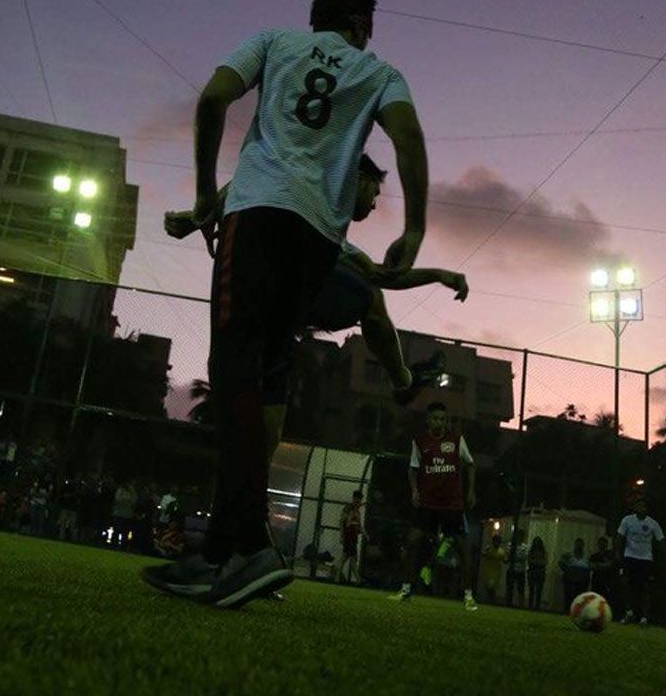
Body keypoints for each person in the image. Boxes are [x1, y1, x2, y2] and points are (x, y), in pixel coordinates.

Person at [145, 0, 431, 608]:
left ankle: (246, 544)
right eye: (371, 26)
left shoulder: (273, 42)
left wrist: (202, 196)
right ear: (358, 24)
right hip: (317, 243)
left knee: (233, 372)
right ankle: (220, 554)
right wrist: (415, 228)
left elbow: (215, 97)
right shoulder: (380, 73)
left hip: (258, 219)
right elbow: (408, 137)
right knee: (256, 377)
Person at [165, 154, 468, 420]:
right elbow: (247, 182)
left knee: (269, 401)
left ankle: (402, 381)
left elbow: (379, 274)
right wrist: (196, 218)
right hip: (261, 292)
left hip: (262, 302)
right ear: (359, 179)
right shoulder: (314, 184)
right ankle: (402, 382)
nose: (375, 205)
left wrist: (439, 275)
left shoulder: (333, 234)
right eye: (374, 193)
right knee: (370, 296)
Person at [395, 402, 478, 611]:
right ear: (428, 420)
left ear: (446, 420)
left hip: (452, 505)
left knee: (463, 549)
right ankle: (405, 590)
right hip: (428, 504)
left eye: (442, 418)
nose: (439, 422)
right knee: (411, 542)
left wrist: (470, 491)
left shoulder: (457, 440)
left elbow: (471, 464)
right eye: (435, 418)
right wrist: (414, 490)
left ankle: (468, 597)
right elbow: (413, 469)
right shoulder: (420, 441)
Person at [616, 498, 666, 627]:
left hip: (646, 559)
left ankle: (644, 618)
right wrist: (618, 553)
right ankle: (629, 612)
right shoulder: (627, 520)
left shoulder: (653, 523)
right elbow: (619, 537)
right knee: (626, 584)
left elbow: (661, 542)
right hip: (629, 557)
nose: (642, 508)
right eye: (639, 506)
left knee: (645, 588)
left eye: (644, 506)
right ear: (635, 508)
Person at [337, 490, 367, 584]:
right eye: (358, 500)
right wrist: (342, 535)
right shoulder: (348, 509)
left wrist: (364, 533)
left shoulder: (357, 510)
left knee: (352, 558)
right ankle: (338, 577)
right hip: (349, 536)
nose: (359, 502)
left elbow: (359, 525)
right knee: (346, 557)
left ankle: (357, 579)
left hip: (353, 537)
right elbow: (342, 522)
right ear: (354, 499)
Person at [558, 537, 591, 613]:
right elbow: (560, 562)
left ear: (583, 546)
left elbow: (590, 567)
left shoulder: (586, 557)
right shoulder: (568, 555)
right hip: (570, 581)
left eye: (580, 545)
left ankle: (578, 613)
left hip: (582, 581)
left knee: (580, 599)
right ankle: (567, 612)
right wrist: (567, 570)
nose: (579, 547)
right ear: (575, 545)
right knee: (569, 598)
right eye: (577, 545)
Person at [505, 529, 529, 607]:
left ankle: (520, 605)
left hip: (520, 570)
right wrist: (515, 556)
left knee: (520, 590)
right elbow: (509, 556)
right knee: (509, 587)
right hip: (511, 569)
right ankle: (508, 603)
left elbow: (524, 557)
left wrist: (514, 556)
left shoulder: (525, 547)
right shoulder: (510, 545)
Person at [480, 534, 505, 604]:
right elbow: (483, 554)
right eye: (496, 541)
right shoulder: (489, 548)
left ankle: (492, 601)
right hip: (488, 571)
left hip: (496, 572)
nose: (497, 543)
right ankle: (491, 601)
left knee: (492, 587)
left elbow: (505, 560)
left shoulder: (501, 551)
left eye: (498, 541)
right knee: (489, 587)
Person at [589, 536, 614, 601]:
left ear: (607, 544)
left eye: (604, 543)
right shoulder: (594, 556)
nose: (602, 545)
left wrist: (598, 565)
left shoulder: (611, 554)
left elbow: (610, 565)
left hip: (607, 582)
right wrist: (603, 565)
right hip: (596, 582)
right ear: (598, 544)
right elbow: (591, 566)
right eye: (600, 543)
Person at [527, 536, 547, 610]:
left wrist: (535, 562)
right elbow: (529, 561)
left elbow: (544, 562)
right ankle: (530, 605)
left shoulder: (543, 552)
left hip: (539, 572)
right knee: (532, 590)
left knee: (539, 591)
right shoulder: (531, 551)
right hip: (533, 571)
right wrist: (538, 562)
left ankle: (537, 606)